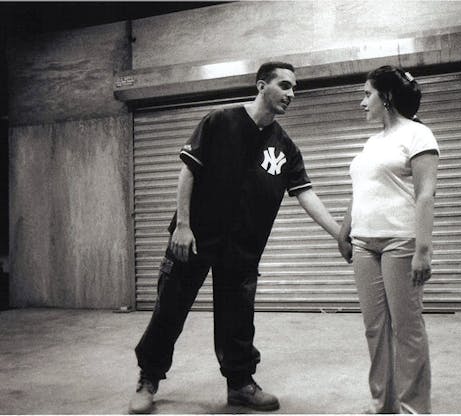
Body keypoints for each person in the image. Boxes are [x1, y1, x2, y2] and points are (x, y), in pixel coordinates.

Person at [129, 61, 343, 414]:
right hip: (194, 238)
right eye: (285, 86)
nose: (292, 95)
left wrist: (338, 233)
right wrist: (183, 226)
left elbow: (305, 193)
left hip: (243, 247)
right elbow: (188, 172)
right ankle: (148, 378)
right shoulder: (220, 121)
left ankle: (240, 384)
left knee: (238, 319)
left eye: (294, 89)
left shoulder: (284, 146)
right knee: (170, 311)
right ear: (262, 86)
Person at [337, 65, 439, 414]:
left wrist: (423, 250)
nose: (361, 102)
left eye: (366, 94)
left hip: (400, 241)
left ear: (387, 97)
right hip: (365, 243)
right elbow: (360, 189)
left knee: (407, 330)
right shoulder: (371, 142)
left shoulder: (418, 135)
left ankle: (413, 409)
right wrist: (344, 228)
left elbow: (426, 195)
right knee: (374, 328)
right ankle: (383, 405)